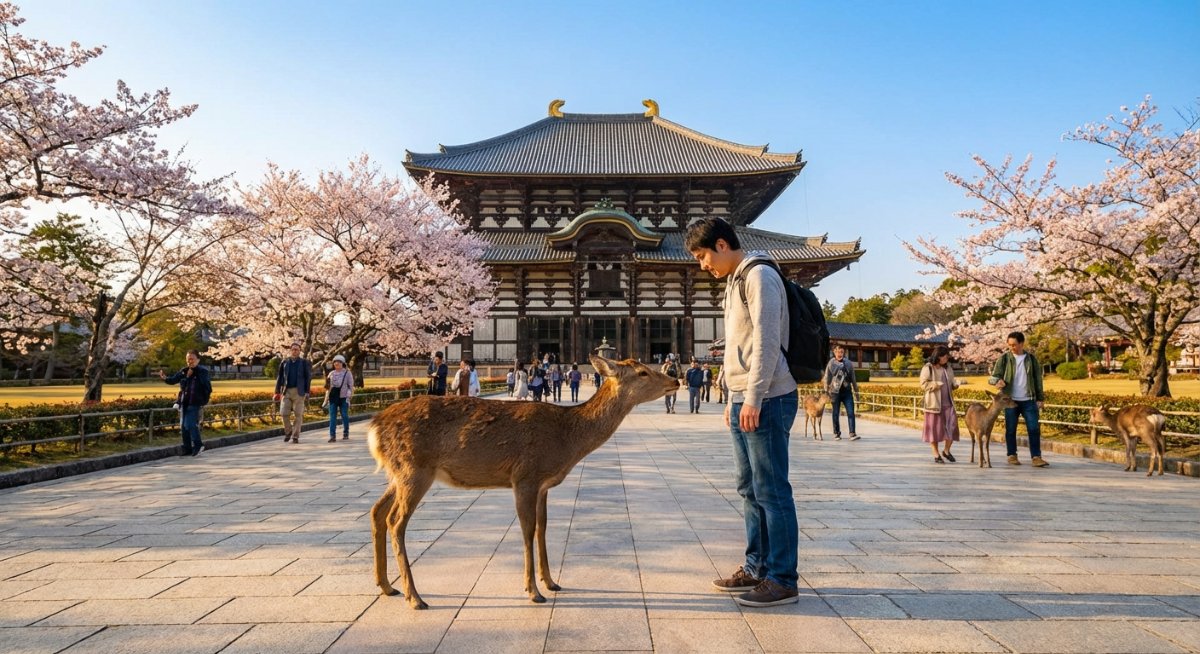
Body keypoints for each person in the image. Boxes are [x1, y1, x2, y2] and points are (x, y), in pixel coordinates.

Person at [687, 216, 800, 608]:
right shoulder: (734, 281)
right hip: (744, 398)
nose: (703, 265)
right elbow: (738, 343)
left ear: (721, 245)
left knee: (772, 490)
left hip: (768, 397)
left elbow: (767, 343)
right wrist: (729, 393)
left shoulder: (759, 276)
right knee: (749, 489)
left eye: (702, 256)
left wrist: (752, 396)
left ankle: (783, 578)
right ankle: (756, 568)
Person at [989, 331, 1049, 467]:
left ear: (1022, 343)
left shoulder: (1031, 359)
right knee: (1010, 429)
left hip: (1029, 400)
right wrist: (997, 381)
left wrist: (1040, 398)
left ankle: (1036, 457)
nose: (1012, 347)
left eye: (1014, 345)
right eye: (1009, 345)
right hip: (1010, 401)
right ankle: (1012, 455)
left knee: (1033, 429)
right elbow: (992, 378)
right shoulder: (1004, 359)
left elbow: (1038, 380)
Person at [160, 349, 212, 457]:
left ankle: (198, 445)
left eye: (192, 359)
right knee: (184, 427)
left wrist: (204, 399)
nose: (190, 361)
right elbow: (174, 380)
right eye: (188, 359)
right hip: (185, 402)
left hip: (195, 402)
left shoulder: (203, 371)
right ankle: (187, 448)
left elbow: (207, 387)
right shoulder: (184, 371)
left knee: (190, 424)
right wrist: (165, 378)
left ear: (198, 360)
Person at [920, 345, 962, 463]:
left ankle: (946, 451)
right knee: (934, 430)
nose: (946, 359)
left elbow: (951, 383)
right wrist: (935, 385)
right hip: (934, 404)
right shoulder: (928, 368)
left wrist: (955, 385)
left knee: (952, 427)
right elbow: (923, 384)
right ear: (938, 356)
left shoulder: (948, 368)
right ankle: (936, 454)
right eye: (944, 356)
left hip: (948, 403)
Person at [274, 342, 312, 444]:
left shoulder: (304, 363)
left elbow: (308, 378)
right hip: (286, 391)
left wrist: (307, 391)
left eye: (297, 349)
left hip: (299, 391)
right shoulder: (285, 362)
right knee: (283, 413)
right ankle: (288, 431)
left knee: (298, 414)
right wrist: (276, 391)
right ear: (290, 350)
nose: (295, 351)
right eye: (293, 349)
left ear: (300, 351)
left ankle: (295, 435)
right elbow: (280, 377)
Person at [823, 346, 861, 441]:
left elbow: (853, 379)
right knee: (835, 413)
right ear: (834, 352)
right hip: (835, 392)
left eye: (841, 352)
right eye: (838, 352)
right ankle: (836, 433)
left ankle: (852, 433)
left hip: (847, 392)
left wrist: (857, 393)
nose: (840, 354)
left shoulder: (848, 363)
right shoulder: (831, 363)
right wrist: (826, 391)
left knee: (851, 412)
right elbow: (827, 377)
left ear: (844, 353)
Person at [324, 354, 354, 442]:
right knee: (332, 416)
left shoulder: (347, 373)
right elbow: (328, 387)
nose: (337, 363)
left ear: (343, 363)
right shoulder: (331, 374)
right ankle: (332, 436)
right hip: (333, 397)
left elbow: (351, 386)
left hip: (343, 397)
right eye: (335, 362)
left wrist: (348, 396)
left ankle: (346, 432)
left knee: (344, 415)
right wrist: (326, 398)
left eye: (339, 362)